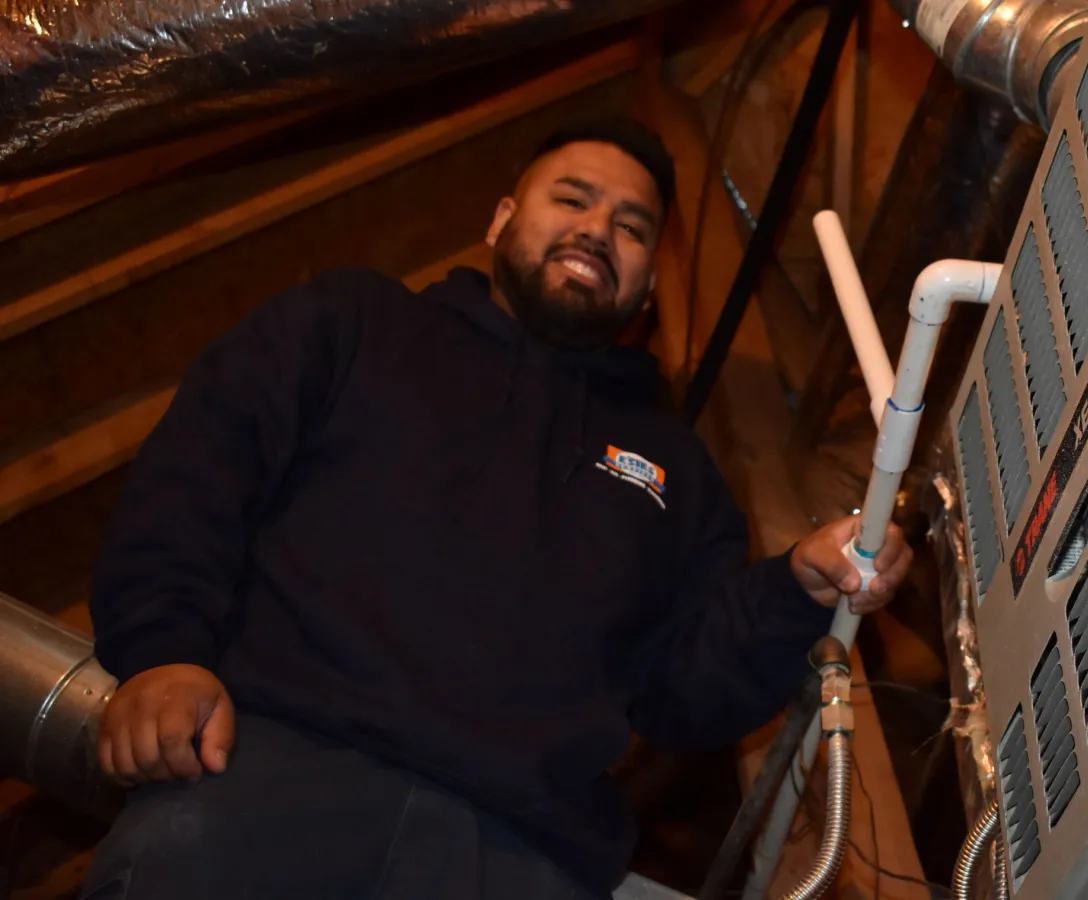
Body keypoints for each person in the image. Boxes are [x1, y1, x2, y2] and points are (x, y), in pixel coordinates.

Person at [82, 118, 911, 900]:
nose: (597, 230)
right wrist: (163, 652)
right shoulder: (354, 325)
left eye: (631, 225)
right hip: (262, 794)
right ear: (502, 218)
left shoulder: (681, 476)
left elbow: (681, 691)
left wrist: (793, 591)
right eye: (572, 198)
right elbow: (198, 475)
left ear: (649, 280)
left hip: (521, 857)